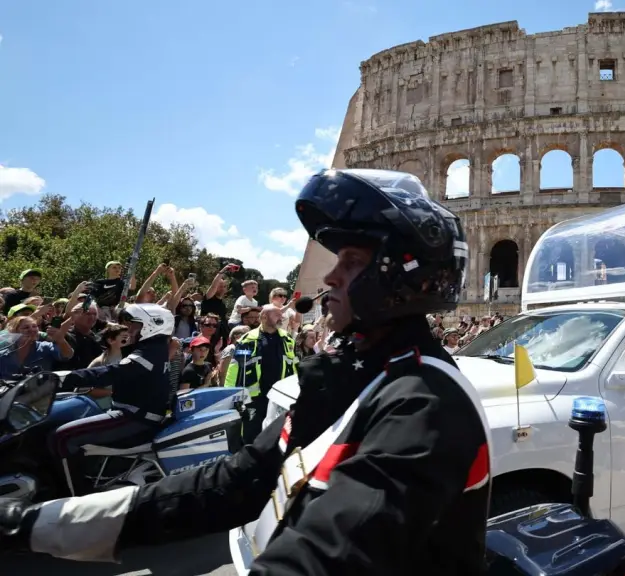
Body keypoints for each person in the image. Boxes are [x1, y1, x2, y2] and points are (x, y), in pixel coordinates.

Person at [0, 168, 492, 575]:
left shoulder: (425, 403)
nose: (330, 277)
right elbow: (235, 482)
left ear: (401, 274)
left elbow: (328, 554)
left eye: (353, 261)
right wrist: (32, 524)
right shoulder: (355, 376)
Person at [47, 303, 176, 496]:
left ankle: (74, 496)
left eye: (134, 325)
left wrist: (63, 378)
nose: (128, 329)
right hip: (134, 413)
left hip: (134, 417)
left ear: (152, 325)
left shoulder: (148, 353)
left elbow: (110, 373)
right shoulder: (152, 349)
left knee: (61, 438)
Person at [224, 304, 297, 443]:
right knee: (251, 437)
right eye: (276, 315)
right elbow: (234, 368)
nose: (281, 317)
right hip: (254, 399)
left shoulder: (287, 339)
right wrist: (230, 394)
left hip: (279, 398)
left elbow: (294, 366)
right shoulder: (247, 340)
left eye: (281, 315)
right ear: (264, 317)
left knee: (276, 438)